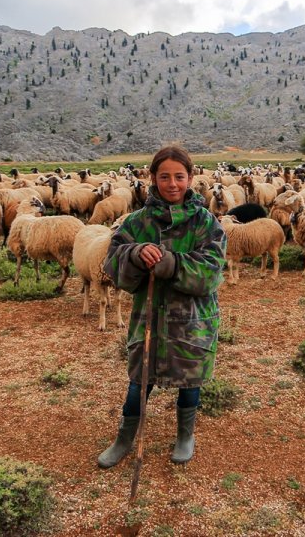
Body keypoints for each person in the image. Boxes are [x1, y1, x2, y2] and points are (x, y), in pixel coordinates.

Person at [98, 144, 226, 468]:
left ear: (190, 178)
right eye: (165, 176)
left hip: (192, 322)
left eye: (179, 177)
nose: (172, 184)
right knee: (139, 383)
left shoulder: (205, 223)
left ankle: (185, 435)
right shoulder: (137, 222)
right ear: (152, 178)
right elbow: (112, 262)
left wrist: (170, 263)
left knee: (190, 383)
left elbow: (211, 271)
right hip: (149, 317)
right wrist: (136, 254)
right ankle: (124, 438)